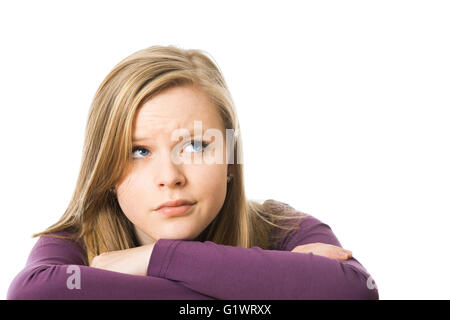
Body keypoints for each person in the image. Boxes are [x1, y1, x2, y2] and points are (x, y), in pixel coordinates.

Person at [7, 45, 379, 300]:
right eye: (139, 151)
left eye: (196, 146)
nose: (170, 176)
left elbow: (353, 289)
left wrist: (155, 259)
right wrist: (274, 284)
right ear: (106, 168)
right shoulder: (75, 241)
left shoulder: (280, 225)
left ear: (230, 159)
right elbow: (33, 293)